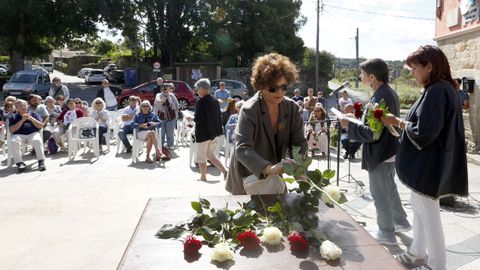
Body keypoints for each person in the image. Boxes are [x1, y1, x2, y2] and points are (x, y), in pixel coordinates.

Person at [382, 46, 468, 270]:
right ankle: (416, 252)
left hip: (429, 165)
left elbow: (425, 131)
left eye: (414, 67)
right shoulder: (440, 88)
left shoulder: (438, 91)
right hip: (430, 163)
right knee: (419, 209)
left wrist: (397, 122)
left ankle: (437, 265)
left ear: (430, 67)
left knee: (429, 216)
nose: (412, 72)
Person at [339, 58, 410, 246]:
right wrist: (354, 119)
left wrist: (348, 127)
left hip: (381, 154)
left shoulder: (381, 97)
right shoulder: (385, 92)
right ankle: (400, 222)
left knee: (379, 192)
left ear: (372, 76)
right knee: (389, 189)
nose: (359, 77)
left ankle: (386, 233)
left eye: (362, 74)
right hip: (388, 151)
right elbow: (374, 125)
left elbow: (373, 133)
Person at [225, 53, 308, 195]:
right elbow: (243, 149)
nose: (279, 92)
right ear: (261, 85)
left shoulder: (292, 108)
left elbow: (299, 143)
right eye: (273, 88)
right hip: (248, 174)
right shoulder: (249, 109)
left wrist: (299, 167)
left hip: (275, 175)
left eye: (284, 87)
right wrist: (269, 169)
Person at [194, 78, 228, 181]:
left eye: (197, 88)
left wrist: (192, 118)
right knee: (211, 155)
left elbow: (199, 119)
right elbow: (218, 116)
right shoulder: (214, 100)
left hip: (203, 134)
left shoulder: (201, 102)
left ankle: (203, 177)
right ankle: (225, 171)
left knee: (201, 157)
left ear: (202, 89)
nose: (196, 90)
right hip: (213, 133)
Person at [7, 99, 46, 172]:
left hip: (33, 133)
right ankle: (19, 163)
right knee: (13, 141)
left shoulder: (34, 114)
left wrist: (31, 119)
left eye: (24, 105)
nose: (23, 107)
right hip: (18, 135)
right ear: (16, 108)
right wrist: (22, 120)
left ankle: (41, 161)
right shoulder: (13, 116)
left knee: (37, 140)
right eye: (20, 106)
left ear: (27, 106)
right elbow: (12, 130)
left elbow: (41, 126)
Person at [154, 83, 179, 150]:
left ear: (169, 89)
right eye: (163, 87)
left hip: (171, 116)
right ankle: (161, 145)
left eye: (166, 87)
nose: (165, 89)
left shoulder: (171, 95)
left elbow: (177, 105)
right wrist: (162, 100)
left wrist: (173, 106)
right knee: (161, 133)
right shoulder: (158, 95)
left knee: (170, 132)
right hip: (161, 116)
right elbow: (157, 101)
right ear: (161, 89)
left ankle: (170, 145)